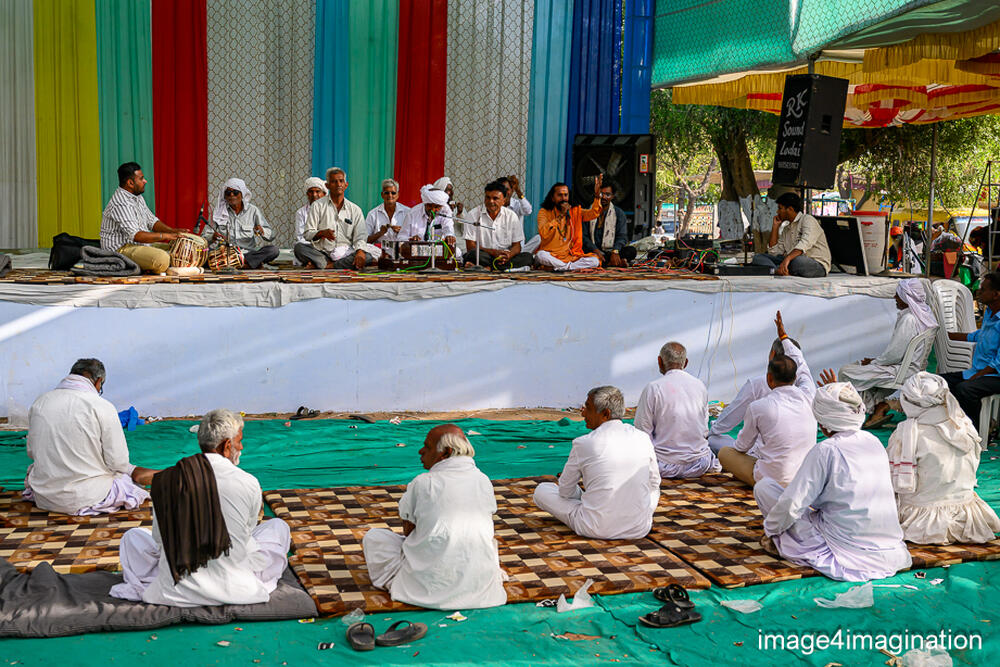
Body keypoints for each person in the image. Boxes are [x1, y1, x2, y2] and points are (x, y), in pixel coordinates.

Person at [110, 409, 291, 607]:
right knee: (278, 527)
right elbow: (245, 535)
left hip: (174, 589)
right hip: (236, 588)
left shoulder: (166, 480)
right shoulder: (248, 482)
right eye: (239, 441)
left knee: (132, 537)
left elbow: (160, 540)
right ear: (227, 446)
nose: (242, 447)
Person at [755, 382, 912, 582]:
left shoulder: (826, 450)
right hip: (891, 551)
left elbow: (793, 504)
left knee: (765, 488)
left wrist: (770, 530)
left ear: (822, 423)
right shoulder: (873, 441)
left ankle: (783, 541)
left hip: (847, 553)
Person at [362, 424, 506, 610]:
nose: (421, 451)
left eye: (427, 447)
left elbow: (409, 533)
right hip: (481, 587)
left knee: (374, 537)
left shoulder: (423, 483)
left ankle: (411, 584)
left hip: (428, 586)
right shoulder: (483, 480)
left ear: (445, 453)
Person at [23, 358, 157, 516]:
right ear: (98, 381)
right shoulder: (102, 406)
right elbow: (118, 462)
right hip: (87, 496)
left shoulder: (40, 402)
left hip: (45, 496)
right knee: (125, 479)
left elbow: (31, 452)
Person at [887, 372, 1000, 544]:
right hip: (964, 514)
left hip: (920, 521)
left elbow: (890, 481)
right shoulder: (965, 427)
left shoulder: (905, 434)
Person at [533, 386, 660, 539]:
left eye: (588, 407)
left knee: (542, 490)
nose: (583, 413)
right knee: (653, 490)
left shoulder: (584, 443)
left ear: (605, 414)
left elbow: (565, 491)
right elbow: (654, 482)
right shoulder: (642, 438)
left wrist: (581, 495)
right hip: (639, 529)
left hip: (594, 527)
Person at [718, 312, 817, 487]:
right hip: (804, 478)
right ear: (795, 377)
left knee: (725, 453)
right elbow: (802, 365)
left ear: (769, 378)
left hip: (772, 479)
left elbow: (741, 446)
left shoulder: (758, 406)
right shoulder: (808, 395)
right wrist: (784, 337)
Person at [838, 279, 937, 428]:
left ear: (906, 297)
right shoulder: (924, 315)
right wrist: (876, 361)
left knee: (845, 372)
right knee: (863, 372)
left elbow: (894, 355)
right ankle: (877, 409)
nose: (895, 297)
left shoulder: (909, 319)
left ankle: (864, 409)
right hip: (910, 368)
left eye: (898, 294)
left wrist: (873, 362)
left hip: (902, 371)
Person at [708, 335, 805, 454]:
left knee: (714, 441)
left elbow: (740, 442)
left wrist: (712, 431)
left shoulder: (758, 390)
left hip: (765, 456)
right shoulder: (806, 390)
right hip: (799, 452)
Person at [634, 342, 719, 478]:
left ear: (659, 361)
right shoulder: (700, 386)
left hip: (663, 465)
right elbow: (704, 428)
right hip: (699, 463)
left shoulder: (653, 388)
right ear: (685, 363)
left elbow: (642, 431)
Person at [100, 162, 185, 273]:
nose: (145, 181)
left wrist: (173, 231)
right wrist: (165, 236)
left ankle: (159, 266)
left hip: (137, 246)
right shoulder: (120, 203)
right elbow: (136, 235)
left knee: (179, 250)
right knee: (162, 258)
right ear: (130, 183)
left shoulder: (137, 197)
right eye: (141, 179)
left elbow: (152, 221)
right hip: (120, 251)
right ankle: (161, 266)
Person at [940, 271, 1000, 428]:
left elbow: (998, 363)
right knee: (939, 382)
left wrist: (977, 376)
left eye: (983, 289)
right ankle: (958, 425)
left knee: (965, 389)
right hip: (980, 371)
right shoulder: (990, 313)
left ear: (996, 294)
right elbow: (979, 336)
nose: (979, 292)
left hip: (996, 375)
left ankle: (975, 430)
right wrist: (946, 335)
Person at [294, 167, 375, 270]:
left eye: (341, 181)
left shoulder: (355, 210)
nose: (338, 184)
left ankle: (327, 266)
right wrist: (321, 233)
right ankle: (328, 264)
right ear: (327, 186)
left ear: (346, 185)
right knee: (299, 248)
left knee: (367, 257)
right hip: (322, 253)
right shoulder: (317, 206)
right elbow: (308, 234)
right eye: (334, 181)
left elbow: (360, 236)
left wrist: (359, 251)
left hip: (346, 253)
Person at [751, 192, 831, 277]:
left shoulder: (808, 220)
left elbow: (805, 243)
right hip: (790, 261)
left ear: (790, 209)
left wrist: (787, 259)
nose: (777, 212)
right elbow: (774, 252)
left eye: (780, 208)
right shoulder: (786, 228)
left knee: (797, 261)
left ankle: (776, 269)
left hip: (815, 265)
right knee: (757, 257)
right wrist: (775, 227)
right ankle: (777, 270)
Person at [204, 178, 279, 269]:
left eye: (235, 192)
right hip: (224, 254)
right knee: (203, 253)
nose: (231, 195)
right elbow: (204, 237)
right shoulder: (218, 212)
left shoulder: (253, 211)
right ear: (225, 196)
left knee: (273, 250)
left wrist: (262, 231)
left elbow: (271, 236)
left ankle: (240, 263)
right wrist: (212, 237)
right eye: (228, 193)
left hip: (246, 254)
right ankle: (247, 265)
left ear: (242, 194)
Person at [535, 176, 603, 271]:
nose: (563, 198)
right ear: (552, 198)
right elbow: (544, 233)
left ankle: (561, 267)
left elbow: (593, 214)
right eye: (560, 195)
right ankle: (566, 267)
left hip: (571, 256)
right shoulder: (544, 212)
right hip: (552, 255)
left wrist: (597, 196)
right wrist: (561, 216)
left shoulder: (574, 211)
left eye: (566, 195)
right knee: (540, 255)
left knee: (594, 260)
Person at [463, 180, 532, 270]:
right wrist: (493, 252)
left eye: (495, 198)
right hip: (484, 255)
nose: (491, 201)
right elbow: (470, 247)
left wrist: (509, 255)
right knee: (473, 255)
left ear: (504, 201)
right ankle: (498, 268)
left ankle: (488, 268)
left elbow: (517, 246)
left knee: (528, 257)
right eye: (488, 198)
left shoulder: (511, 216)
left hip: (504, 258)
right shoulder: (473, 215)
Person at [582, 181, 636, 267]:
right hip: (592, 251)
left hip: (610, 251)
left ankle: (607, 261)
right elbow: (583, 236)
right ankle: (612, 262)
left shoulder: (619, 213)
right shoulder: (587, 212)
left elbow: (622, 236)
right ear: (596, 194)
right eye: (601, 194)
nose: (603, 197)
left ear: (613, 196)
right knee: (580, 252)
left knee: (631, 251)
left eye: (607, 194)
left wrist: (615, 251)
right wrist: (595, 250)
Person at [398, 185, 459, 261]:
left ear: (441, 206)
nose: (433, 210)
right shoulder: (412, 213)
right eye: (430, 206)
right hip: (416, 251)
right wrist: (410, 240)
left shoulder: (445, 211)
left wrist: (449, 236)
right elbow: (401, 237)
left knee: (457, 252)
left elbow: (448, 228)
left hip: (438, 250)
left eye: (436, 207)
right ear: (425, 203)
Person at [365, 178, 410, 257]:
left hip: (402, 251)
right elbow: (365, 240)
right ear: (382, 195)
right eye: (386, 193)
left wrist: (402, 232)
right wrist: (380, 233)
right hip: (380, 254)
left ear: (398, 195)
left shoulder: (408, 212)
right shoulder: (373, 214)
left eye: (393, 193)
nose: (390, 195)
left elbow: (415, 237)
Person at [294, 177, 327, 246]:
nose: (314, 195)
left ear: (324, 194)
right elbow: (300, 237)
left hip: (327, 246)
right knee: (299, 246)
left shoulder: (330, 210)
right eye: (311, 192)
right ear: (307, 194)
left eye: (317, 191)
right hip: (309, 247)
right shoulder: (301, 212)